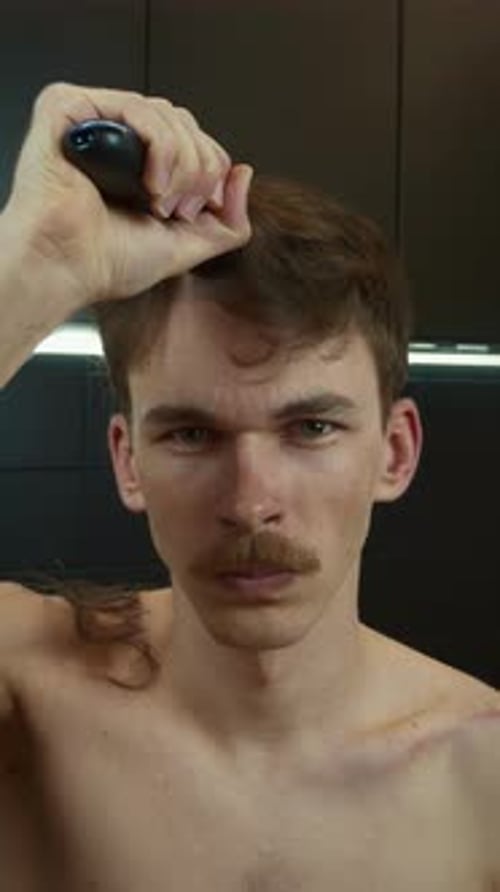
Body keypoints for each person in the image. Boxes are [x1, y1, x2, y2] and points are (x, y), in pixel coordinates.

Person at [0, 82, 498, 891]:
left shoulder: (481, 780)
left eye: (311, 429)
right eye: (191, 434)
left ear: (395, 453)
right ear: (128, 461)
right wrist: (34, 267)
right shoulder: (29, 699)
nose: (249, 499)